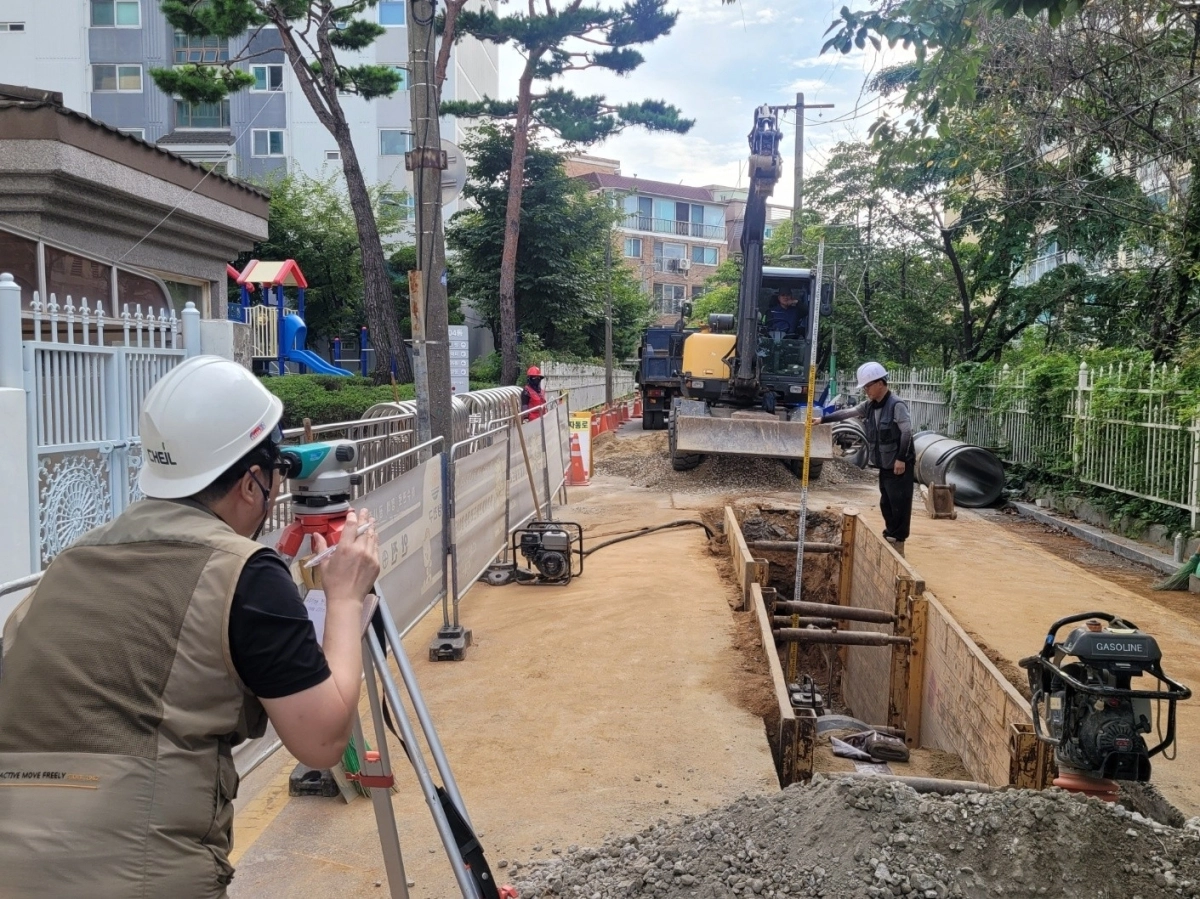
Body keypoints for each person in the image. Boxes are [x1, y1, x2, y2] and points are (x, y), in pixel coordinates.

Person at [0, 356, 380, 898]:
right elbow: (321, 741)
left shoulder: (74, 560)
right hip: (142, 875)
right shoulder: (244, 574)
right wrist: (342, 598)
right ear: (253, 482)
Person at [817, 361, 916, 555]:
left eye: (868, 386)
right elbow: (847, 413)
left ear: (880, 383)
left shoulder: (897, 405)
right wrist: (823, 419)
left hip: (899, 464)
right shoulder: (870, 406)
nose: (866, 391)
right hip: (884, 463)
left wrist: (901, 459)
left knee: (900, 504)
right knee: (886, 502)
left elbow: (907, 433)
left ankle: (898, 542)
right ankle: (890, 536)